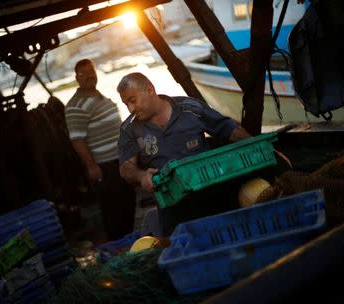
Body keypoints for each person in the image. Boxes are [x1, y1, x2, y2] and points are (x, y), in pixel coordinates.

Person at [116, 72, 281, 236]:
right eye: (126, 104)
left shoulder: (190, 108)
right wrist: (142, 176)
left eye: (132, 100)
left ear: (150, 89)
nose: (130, 109)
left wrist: (259, 145)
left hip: (212, 195)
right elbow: (126, 168)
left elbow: (228, 129)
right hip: (172, 208)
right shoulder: (129, 129)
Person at [64, 59, 136, 241]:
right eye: (83, 73)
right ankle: (119, 248)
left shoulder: (98, 96)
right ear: (77, 78)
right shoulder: (75, 105)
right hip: (105, 166)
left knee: (127, 204)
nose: (89, 76)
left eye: (91, 71)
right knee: (113, 212)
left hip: (120, 160)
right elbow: (77, 139)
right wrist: (91, 166)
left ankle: (130, 244)